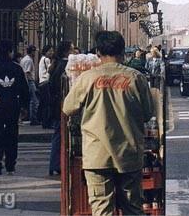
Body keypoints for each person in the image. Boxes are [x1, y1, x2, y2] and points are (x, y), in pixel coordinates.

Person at [63, 31, 154, 216]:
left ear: (98, 52)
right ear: (123, 52)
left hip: (97, 155)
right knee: (133, 209)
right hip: (129, 154)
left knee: (102, 211)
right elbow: (147, 114)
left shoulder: (86, 78)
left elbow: (68, 108)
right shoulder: (136, 78)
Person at [0, 40, 29, 175]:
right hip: (12, 107)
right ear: (10, 51)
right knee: (11, 136)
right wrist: (24, 106)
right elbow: (24, 89)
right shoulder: (17, 67)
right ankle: (10, 164)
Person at [48, 40, 74, 176]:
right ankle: (57, 163)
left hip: (56, 104)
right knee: (61, 134)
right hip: (62, 104)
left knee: (58, 134)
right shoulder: (65, 65)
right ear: (67, 51)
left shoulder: (57, 64)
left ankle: (55, 163)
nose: (75, 52)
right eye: (72, 49)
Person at [20, 45, 39, 126]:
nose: (35, 53)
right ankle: (33, 118)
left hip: (26, 81)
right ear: (32, 51)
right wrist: (31, 82)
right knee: (34, 101)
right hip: (30, 81)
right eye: (34, 51)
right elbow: (27, 72)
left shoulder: (24, 59)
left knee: (32, 100)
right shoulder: (28, 60)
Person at [38, 45, 55, 129]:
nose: (51, 52)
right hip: (45, 81)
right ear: (45, 51)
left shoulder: (42, 59)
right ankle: (46, 122)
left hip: (41, 82)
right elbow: (50, 70)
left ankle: (44, 121)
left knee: (44, 103)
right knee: (47, 104)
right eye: (50, 51)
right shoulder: (46, 59)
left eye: (52, 51)